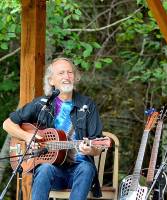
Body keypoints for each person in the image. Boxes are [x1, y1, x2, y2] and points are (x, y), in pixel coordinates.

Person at [3, 58, 103, 200]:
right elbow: (7, 124)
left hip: (78, 172)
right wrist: (27, 137)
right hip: (52, 171)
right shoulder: (42, 104)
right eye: (61, 73)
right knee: (44, 169)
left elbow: (97, 146)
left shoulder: (87, 105)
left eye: (70, 72)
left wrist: (91, 149)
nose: (67, 77)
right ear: (51, 80)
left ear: (75, 77)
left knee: (87, 168)